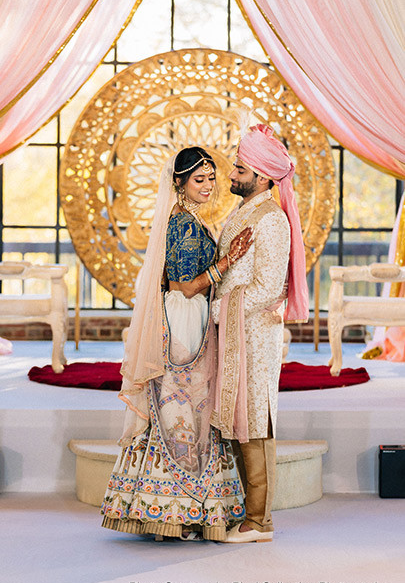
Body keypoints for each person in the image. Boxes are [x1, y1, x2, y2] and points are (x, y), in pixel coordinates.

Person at [101, 147, 252, 541]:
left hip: (190, 316)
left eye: (211, 177)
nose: (208, 185)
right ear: (180, 183)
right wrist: (226, 263)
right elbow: (185, 286)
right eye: (198, 179)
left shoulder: (190, 219)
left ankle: (170, 510)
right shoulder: (183, 224)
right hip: (185, 319)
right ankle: (179, 513)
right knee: (186, 409)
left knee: (182, 411)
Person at [211, 124, 309, 543]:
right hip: (234, 330)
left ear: (264, 177)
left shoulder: (271, 220)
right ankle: (248, 513)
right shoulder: (245, 210)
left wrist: (215, 308)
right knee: (237, 419)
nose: (231, 174)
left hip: (252, 332)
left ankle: (260, 521)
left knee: (254, 420)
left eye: (239, 168)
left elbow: (270, 288)